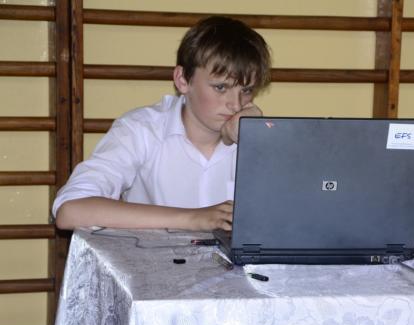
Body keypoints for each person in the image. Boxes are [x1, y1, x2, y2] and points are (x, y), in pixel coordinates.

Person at [53, 16, 271, 232]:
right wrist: (193, 218)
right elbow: (70, 211)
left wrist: (260, 139)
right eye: (221, 87)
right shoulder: (141, 129)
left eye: (246, 90)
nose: (235, 104)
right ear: (182, 80)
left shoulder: (256, 134)